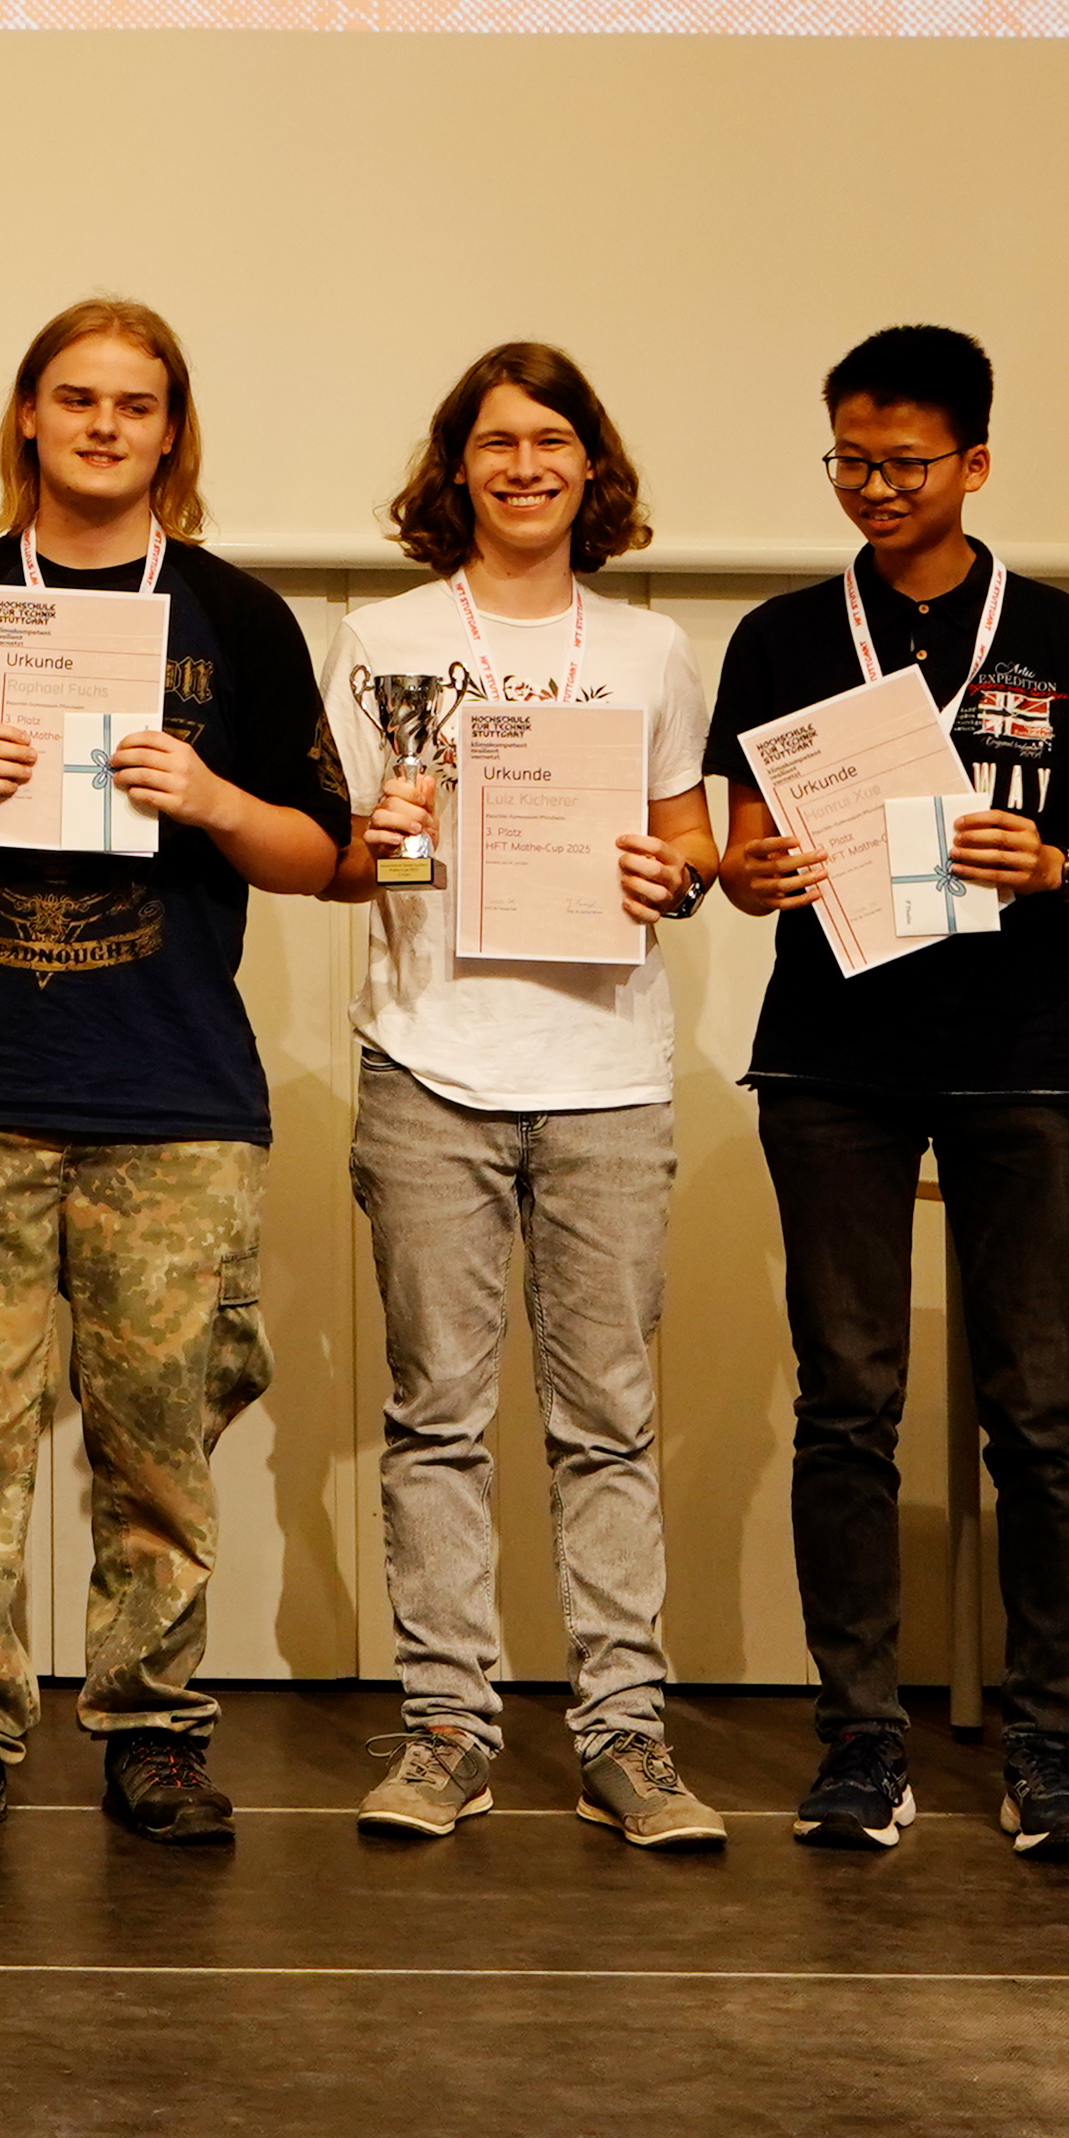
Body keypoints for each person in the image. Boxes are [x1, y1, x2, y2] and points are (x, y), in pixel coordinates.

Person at [0, 299, 342, 1852]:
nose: (104, 426)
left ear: (171, 431)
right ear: (29, 418)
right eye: (76, 398)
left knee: (160, 1439)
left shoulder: (238, 615)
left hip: (172, 1093)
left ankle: (154, 1727)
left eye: (135, 403)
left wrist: (215, 799)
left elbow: (326, 855)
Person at [706, 323, 1069, 1861]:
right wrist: (752, 875)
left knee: (1039, 1412)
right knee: (849, 1406)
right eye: (850, 461)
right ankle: (860, 1740)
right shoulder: (781, 636)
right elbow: (739, 853)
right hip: (831, 1060)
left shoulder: (1065, 634)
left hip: (1015, 1057)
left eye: (904, 464)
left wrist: (1057, 865)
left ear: (975, 461)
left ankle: (1054, 1746)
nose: (875, 488)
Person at [320, 347, 727, 1857]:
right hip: (429, 1060)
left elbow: (693, 847)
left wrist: (672, 873)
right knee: (435, 1418)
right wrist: (391, 833)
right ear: (457, 469)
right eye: (496, 442)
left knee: (608, 1422)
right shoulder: (381, 637)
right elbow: (343, 858)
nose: (525, 466)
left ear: (589, 466)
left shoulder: (651, 649)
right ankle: (448, 1729)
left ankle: (626, 1735)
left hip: (608, 1074)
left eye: (553, 440)